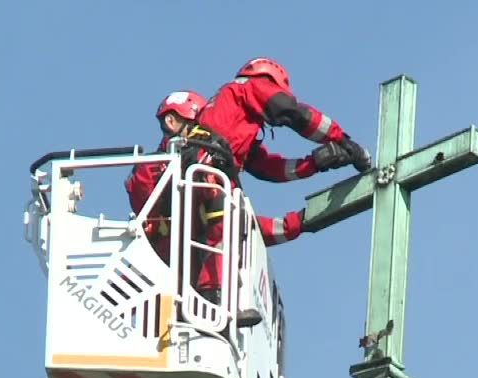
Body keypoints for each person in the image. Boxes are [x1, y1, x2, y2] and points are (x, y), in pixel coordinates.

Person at [125, 89, 353, 319]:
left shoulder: (208, 184)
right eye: (197, 131)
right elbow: (153, 197)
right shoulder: (156, 171)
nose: (205, 138)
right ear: (171, 121)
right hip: (169, 289)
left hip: (187, 299)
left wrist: (302, 217)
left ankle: (215, 298)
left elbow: (246, 228)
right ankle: (213, 296)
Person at [178, 58, 371, 304]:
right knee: (228, 224)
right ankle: (213, 296)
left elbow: (269, 168)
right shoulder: (249, 87)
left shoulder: (234, 126)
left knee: (238, 226)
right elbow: (293, 113)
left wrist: (313, 164)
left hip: (207, 170)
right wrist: (342, 139)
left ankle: (214, 296)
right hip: (206, 168)